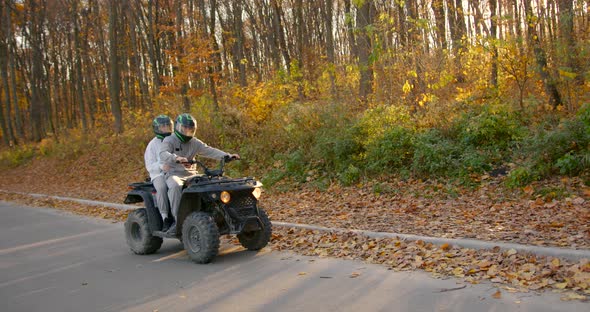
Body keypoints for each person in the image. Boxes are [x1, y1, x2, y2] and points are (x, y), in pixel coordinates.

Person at [159, 113, 240, 234]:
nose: (187, 131)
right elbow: (163, 153)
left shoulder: (194, 142)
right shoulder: (169, 140)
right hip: (174, 174)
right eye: (184, 128)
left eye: (190, 129)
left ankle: (220, 214)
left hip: (192, 174)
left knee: (216, 182)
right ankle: (177, 220)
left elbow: (209, 150)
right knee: (175, 186)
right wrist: (176, 158)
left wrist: (227, 156)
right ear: (177, 127)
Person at [144, 115, 174, 231]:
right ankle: (165, 218)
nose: (166, 128)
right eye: (163, 126)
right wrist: (162, 166)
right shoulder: (152, 145)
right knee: (161, 188)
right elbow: (149, 166)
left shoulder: (174, 140)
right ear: (157, 128)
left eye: (168, 126)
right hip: (158, 174)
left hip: (175, 171)